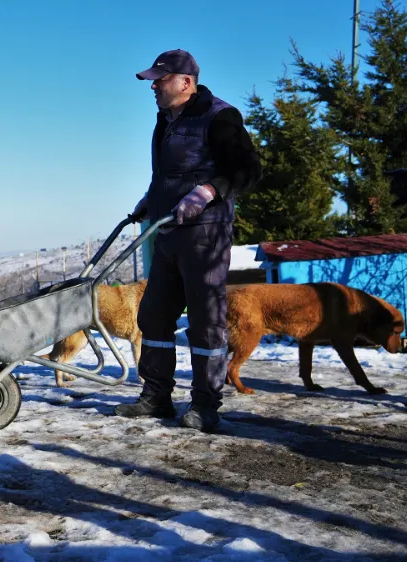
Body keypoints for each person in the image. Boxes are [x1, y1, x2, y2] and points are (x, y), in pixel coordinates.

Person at [117, 49, 263, 432]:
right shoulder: (165, 120)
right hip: (166, 232)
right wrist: (152, 197)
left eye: (159, 79)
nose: (153, 86)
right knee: (153, 315)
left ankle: (205, 404)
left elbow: (248, 169)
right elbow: (170, 172)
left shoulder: (219, 116)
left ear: (185, 82)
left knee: (205, 321)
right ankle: (156, 396)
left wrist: (209, 192)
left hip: (205, 235)